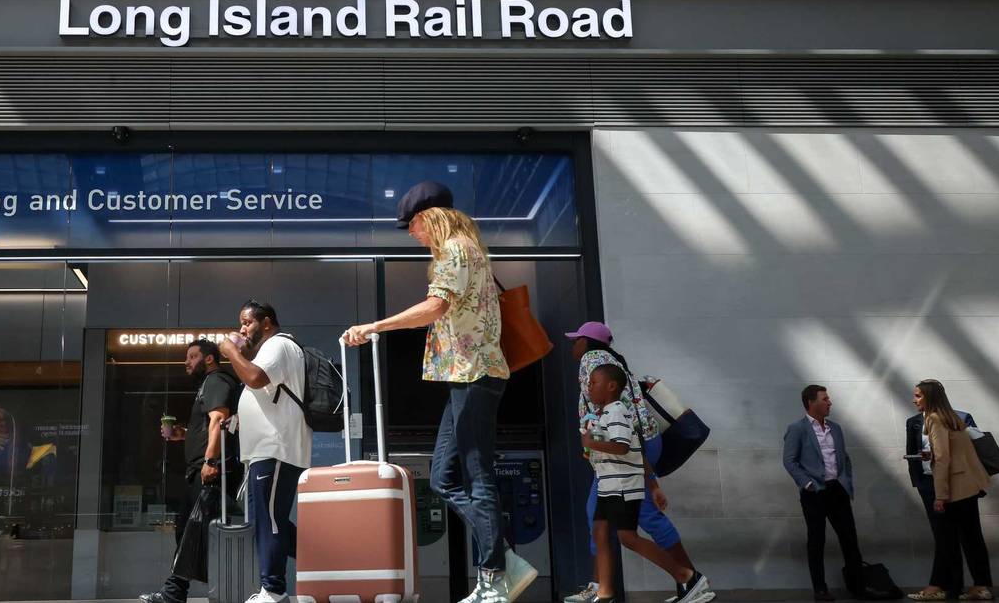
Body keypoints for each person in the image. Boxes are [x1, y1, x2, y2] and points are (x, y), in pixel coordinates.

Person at [343, 181, 537, 603]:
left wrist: (373, 326)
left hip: (474, 375)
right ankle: (501, 558)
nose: (412, 235)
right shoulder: (471, 251)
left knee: (477, 474)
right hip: (468, 377)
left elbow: (435, 307)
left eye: (411, 225)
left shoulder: (455, 250)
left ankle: (493, 577)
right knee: (443, 477)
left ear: (429, 217)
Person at [564, 322, 700, 603]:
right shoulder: (610, 362)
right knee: (597, 516)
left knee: (643, 516)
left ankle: (691, 580)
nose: (572, 345)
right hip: (627, 450)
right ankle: (601, 588)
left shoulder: (593, 359)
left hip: (629, 450)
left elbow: (611, 412)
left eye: (576, 340)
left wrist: (595, 444)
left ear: (588, 342)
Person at [582, 364, 712, 603]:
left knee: (626, 538)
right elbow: (632, 448)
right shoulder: (605, 414)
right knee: (603, 531)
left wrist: (590, 441)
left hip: (623, 485)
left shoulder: (617, 412)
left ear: (611, 386)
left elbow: (622, 447)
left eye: (592, 383)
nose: (587, 387)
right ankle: (603, 592)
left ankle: (686, 576)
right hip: (610, 485)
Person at [217, 300, 311, 603]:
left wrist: (231, 351)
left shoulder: (278, 346)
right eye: (242, 324)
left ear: (266, 322)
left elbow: (256, 378)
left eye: (247, 322)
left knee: (269, 519)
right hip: (268, 450)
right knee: (271, 520)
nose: (243, 329)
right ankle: (329, 562)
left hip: (276, 449)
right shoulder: (269, 351)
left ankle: (273, 590)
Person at [140, 338, 243, 603]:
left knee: (191, 529)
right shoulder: (207, 385)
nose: (186, 362)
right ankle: (177, 591)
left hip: (209, 470)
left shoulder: (217, 379)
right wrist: (181, 434)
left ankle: (175, 592)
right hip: (201, 469)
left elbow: (219, 420)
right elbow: (204, 428)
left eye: (192, 357)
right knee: (187, 528)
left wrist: (210, 462)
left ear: (209, 358)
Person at [782, 385, 869, 602]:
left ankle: (858, 587)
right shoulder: (797, 429)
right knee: (816, 540)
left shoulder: (836, 428)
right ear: (811, 402)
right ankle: (820, 589)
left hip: (837, 490)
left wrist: (846, 482)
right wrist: (808, 484)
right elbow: (789, 461)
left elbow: (844, 458)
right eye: (825, 398)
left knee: (850, 539)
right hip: (815, 493)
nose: (830, 402)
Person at [910, 380, 994, 602]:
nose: (914, 399)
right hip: (968, 486)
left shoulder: (935, 418)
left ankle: (953, 590)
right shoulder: (953, 417)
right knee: (972, 536)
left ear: (929, 397)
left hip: (953, 488)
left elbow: (943, 459)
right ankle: (980, 587)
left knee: (948, 540)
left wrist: (940, 495)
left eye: (918, 395)